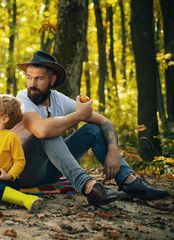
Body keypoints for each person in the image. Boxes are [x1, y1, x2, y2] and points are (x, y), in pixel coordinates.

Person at [12, 50, 169, 205]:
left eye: (38, 78)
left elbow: (104, 121)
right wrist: (79, 115)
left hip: (49, 173)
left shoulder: (57, 98)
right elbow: (42, 130)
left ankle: (130, 182)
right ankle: (90, 188)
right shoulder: (22, 100)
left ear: (52, 80)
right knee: (48, 132)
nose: (32, 84)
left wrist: (114, 151)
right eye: (29, 77)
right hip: (23, 172)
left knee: (92, 130)